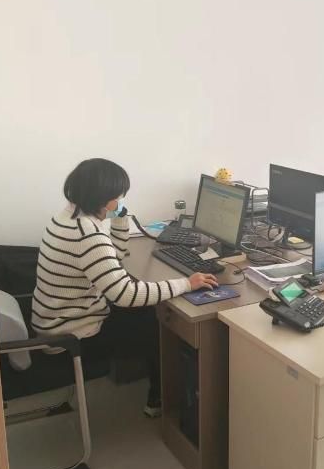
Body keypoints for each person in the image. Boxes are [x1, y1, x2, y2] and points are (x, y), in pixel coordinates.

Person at [32, 158, 218, 417]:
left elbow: (115, 257)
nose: (120, 201)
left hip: (53, 322)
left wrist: (119, 219)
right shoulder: (88, 235)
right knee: (156, 323)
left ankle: (160, 393)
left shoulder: (67, 217)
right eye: (117, 197)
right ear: (102, 199)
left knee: (148, 309)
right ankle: (160, 399)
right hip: (71, 337)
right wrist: (187, 283)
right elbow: (125, 295)